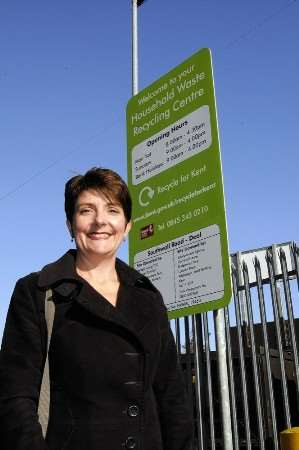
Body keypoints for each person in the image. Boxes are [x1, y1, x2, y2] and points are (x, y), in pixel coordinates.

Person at [0, 167, 193, 450]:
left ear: (127, 226)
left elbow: (172, 397)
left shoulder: (149, 297)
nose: (100, 221)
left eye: (112, 210)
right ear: (70, 224)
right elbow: (15, 398)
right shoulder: (37, 292)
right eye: (86, 210)